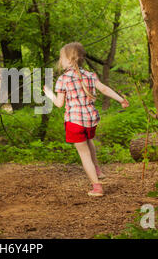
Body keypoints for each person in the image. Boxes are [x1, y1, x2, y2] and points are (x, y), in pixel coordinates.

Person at [43, 42, 129, 197]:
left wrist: (49, 94)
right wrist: (121, 99)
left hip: (75, 121)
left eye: (62, 58)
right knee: (89, 141)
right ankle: (97, 169)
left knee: (84, 154)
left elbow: (58, 104)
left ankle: (97, 187)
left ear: (69, 59)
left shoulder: (63, 79)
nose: (60, 61)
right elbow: (103, 89)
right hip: (90, 120)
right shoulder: (90, 75)